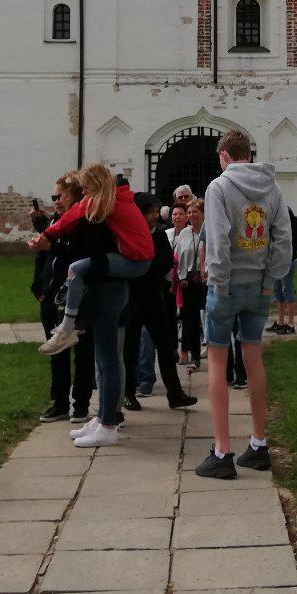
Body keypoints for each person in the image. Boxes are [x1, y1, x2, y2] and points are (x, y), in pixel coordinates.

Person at [28, 163, 153, 448]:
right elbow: (71, 220)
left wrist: (46, 237)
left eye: (83, 189)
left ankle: (108, 424)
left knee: (108, 361)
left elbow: (72, 222)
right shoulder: (106, 201)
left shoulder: (101, 205)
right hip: (123, 273)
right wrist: (48, 235)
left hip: (124, 274)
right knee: (104, 359)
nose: (81, 194)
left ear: (93, 187)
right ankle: (103, 418)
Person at [194, 130, 292, 479]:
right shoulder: (273, 188)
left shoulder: (218, 188)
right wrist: (270, 281)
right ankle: (259, 444)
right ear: (248, 153)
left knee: (218, 361)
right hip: (260, 287)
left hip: (228, 285)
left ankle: (222, 451)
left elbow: (219, 240)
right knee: (253, 356)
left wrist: (218, 282)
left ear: (224, 154)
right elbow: (283, 239)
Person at [122, 192, 198, 411]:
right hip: (134, 300)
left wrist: (148, 268)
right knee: (131, 348)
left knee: (165, 347)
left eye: (156, 212)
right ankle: (129, 393)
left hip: (155, 299)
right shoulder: (131, 234)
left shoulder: (159, 236)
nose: (154, 216)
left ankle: (175, 393)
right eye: (150, 213)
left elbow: (165, 261)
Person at [33, 175, 95, 424]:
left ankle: (80, 404)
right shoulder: (55, 221)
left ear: (75, 196)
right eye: (53, 197)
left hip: (75, 296)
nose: (56, 201)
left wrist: (51, 247)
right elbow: (44, 256)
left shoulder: (82, 223)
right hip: (51, 294)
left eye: (60, 196)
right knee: (55, 350)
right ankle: (59, 403)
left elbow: (79, 255)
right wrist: (37, 285)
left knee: (81, 351)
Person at [173, 197, 207, 367]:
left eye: (196, 211)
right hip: (189, 282)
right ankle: (194, 355)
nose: (192, 214)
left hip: (205, 281)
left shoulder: (208, 231)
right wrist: (181, 278)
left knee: (206, 318)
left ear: (202, 213)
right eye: (190, 212)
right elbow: (179, 258)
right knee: (189, 319)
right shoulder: (184, 234)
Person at [268, 211, 297, 335]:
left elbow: (288, 240)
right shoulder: (279, 215)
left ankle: (290, 324)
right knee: (278, 290)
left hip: (288, 259)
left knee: (287, 289)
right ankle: (280, 322)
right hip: (277, 260)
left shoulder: (287, 216)